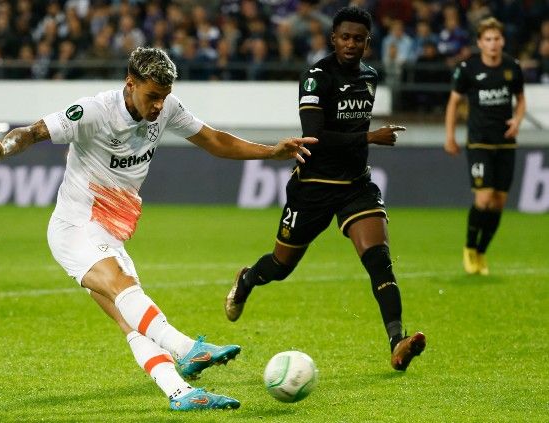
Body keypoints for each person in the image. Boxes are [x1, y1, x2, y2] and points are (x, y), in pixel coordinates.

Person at [0, 46, 316, 410]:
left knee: (132, 321)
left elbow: (213, 139)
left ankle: (181, 394)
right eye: (152, 96)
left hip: (110, 232)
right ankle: (189, 348)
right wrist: (2, 151)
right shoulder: (93, 111)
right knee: (125, 290)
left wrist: (270, 152)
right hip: (77, 226)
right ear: (130, 83)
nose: (158, 106)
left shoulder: (166, 107)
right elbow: (31, 132)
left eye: (164, 97)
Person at [223, 7, 426, 372]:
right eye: (345, 37)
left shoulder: (369, 76)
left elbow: (350, 131)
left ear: (368, 42)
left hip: (355, 186)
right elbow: (314, 138)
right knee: (280, 266)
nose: (351, 44)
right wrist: (369, 137)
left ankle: (398, 341)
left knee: (379, 260)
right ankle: (247, 279)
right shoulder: (316, 77)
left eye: (359, 39)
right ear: (333, 39)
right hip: (313, 186)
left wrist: (364, 141)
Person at [444, 17, 525, 275]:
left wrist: (518, 119)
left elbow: (521, 100)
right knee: (484, 198)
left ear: (503, 41)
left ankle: (482, 251)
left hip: (506, 143)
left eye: (497, 39)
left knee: (499, 203)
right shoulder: (468, 69)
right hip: (479, 141)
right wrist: (450, 136)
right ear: (480, 43)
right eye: (488, 39)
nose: (493, 44)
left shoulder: (512, 67)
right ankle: (469, 248)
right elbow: (454, 103)